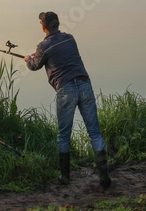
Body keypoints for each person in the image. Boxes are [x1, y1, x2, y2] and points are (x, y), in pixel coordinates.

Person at [24, 11, 111, 187]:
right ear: (58, 24)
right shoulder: (70, 38)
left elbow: (35, 66)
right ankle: (104, 177)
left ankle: (65, 177)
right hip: (85, 85)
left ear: (43, 27)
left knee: (64, 135)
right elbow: (60, 54)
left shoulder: (43, 46)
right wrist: (37, 55)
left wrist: (27, 58)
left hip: (66, 90)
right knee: (95, 132)